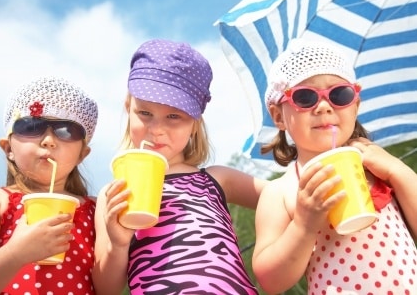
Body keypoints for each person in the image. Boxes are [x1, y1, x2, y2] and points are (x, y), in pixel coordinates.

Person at [92, 39, 267, 294]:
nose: (157, 129)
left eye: (174, 116)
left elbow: (282, 199)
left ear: (195, 124)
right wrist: (117, 245)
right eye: (145, 113)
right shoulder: (112, 196)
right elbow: (106, 289)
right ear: (128, 108)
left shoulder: (217, 179)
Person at [252, 39, 417, 294]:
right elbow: (271, 281)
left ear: (356, 105)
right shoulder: (280, 191)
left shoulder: (378, 167)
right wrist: (304, 226)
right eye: (305, 97)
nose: (324, 106)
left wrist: (398, 171)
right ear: (278, 116)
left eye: (340, 94)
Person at [0, 77, 99, 294]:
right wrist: (16, 254)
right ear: (8, 147)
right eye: (31, 126)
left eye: (67, 130)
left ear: (82, 155)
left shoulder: (95, 210)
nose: (48, 140)